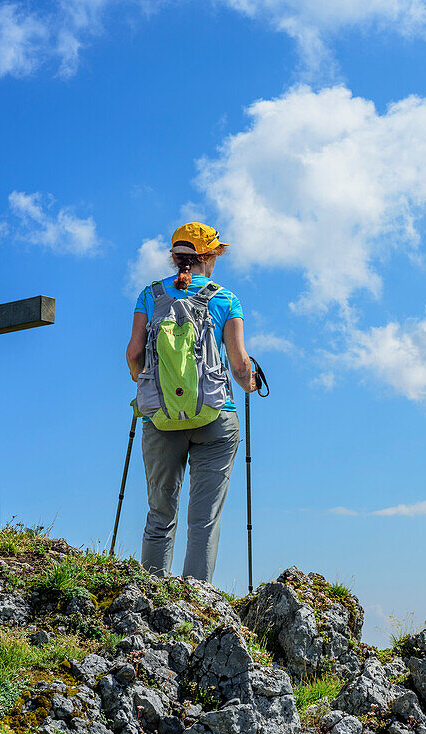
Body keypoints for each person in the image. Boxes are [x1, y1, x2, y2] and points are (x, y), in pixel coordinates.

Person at [125, 222, 256, 581]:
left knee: (159, 515)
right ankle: (193, 605)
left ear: (175, 257)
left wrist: (149, 385)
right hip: (216, 418)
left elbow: (134, 352)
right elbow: (239, 363)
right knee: (203, 521)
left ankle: (150, 597)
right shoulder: (225, 298)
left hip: (161, 418)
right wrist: (250, 383)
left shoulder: (150, 296)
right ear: (209, 257)